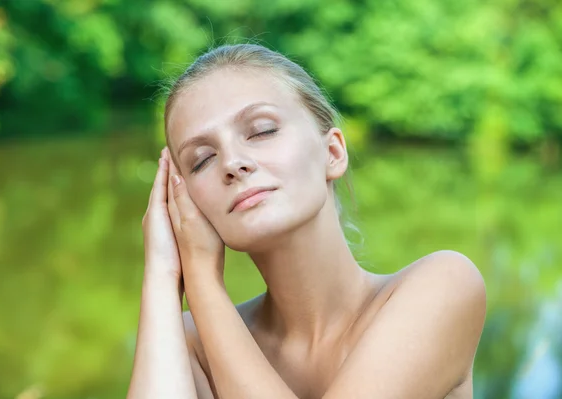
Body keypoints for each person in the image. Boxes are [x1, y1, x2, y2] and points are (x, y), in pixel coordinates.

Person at [127, 43, 487, 399]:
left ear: (332, 152)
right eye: (202, 159)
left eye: (262, 130)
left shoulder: (444, 286)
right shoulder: (190, 340)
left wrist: (202, 279)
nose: (233, 163)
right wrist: (163, 273)